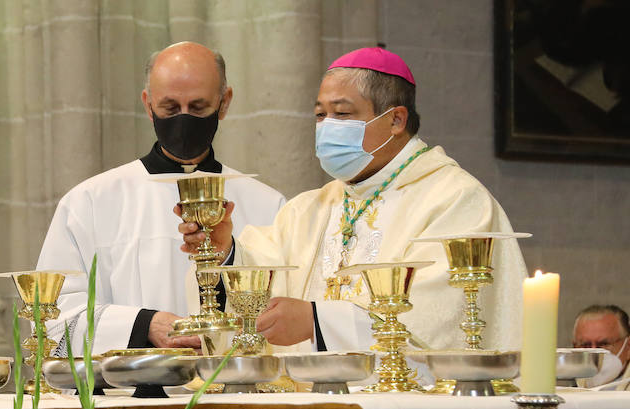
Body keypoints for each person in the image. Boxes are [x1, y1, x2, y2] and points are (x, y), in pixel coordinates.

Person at [183, 47, 526, 354]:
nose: (327, 127)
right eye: (320, 115)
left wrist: (317, 322)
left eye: (342, 114)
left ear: (396, 119)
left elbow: (437, 318)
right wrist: (224, 251)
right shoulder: (310, 208)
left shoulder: (454, 200)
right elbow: (262, 274)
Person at [36, 41, 285, 356]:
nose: (183, 120)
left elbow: (288, 308)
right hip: (128, 395)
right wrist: (143, 326)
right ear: (148, 104)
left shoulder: (268, 205)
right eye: (170, 108)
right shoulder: (89, 203)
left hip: (238, 393)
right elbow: (50, 319)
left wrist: (229, 258)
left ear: (224, 103)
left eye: (198, 108)